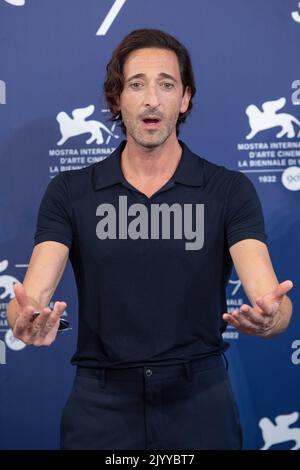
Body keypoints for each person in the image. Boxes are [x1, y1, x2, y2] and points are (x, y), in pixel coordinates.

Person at [6, 28, 293, 450]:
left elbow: (271, 297)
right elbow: (31, 294)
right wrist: (22, 320)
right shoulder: (71, 190)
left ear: (186, 98)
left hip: (199, 400)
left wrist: (273, 316)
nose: (152, 99)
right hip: (100, 403)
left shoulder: (228, 190)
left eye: (167, 84)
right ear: (117, 99)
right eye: (136, 84)